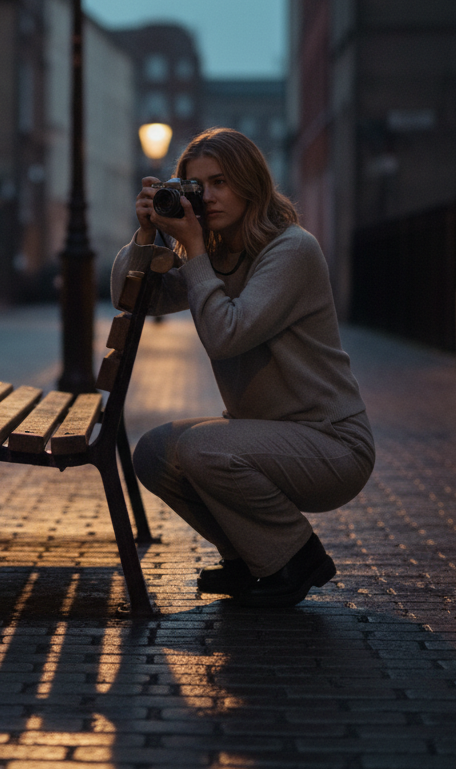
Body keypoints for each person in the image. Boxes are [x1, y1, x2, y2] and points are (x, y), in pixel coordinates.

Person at [111, 127, 374, 608]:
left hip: (332, 443)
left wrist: (192, 254)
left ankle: (296, 559)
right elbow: (130, 298)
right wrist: (148, 234)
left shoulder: (291, 249)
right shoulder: (216, 257)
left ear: (251, 185)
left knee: (201, 448)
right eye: (196, 186)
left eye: (221, 183)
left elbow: (227, 335)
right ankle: (248, 558)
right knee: (154, 452)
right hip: (265, 434)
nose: (208, 197)